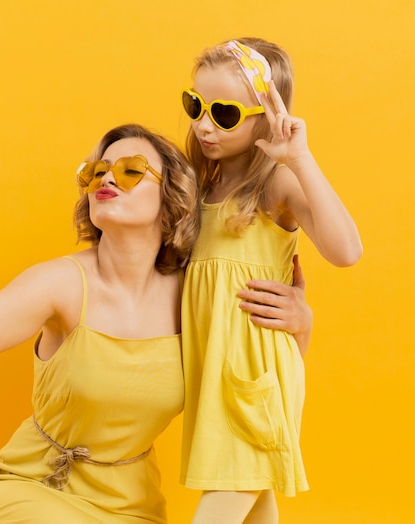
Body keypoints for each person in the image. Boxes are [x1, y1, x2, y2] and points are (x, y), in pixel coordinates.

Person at [0, 123, 312, 523]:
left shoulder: (195, 295)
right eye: (95, 172)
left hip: (131, 507)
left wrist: (300, 323)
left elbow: (256, 387)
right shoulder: (61, 284)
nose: (106, 177)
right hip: (33, 489)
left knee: (259, 488)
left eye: (130, 169)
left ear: (173, 195)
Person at [179, 38, 363, 523]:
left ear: (266, 115)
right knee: (257, 507)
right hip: (213, 378)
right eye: (195, 105)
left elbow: (346, 251)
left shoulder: (275, 187)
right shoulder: (196, 189)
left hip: (255, 379)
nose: (202, 125)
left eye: (224, 113)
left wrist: (299, 159)